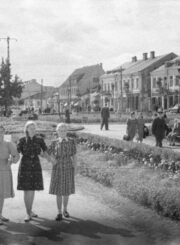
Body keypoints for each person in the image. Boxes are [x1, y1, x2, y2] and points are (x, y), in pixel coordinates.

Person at [17, 121, 54, 222]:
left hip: (36, 165)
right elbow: (16, 153)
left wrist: (50, 160)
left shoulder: (39, 139)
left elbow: (45, 151)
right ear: (26, 129)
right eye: (30, 128)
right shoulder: (22, 140)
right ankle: (28, 213)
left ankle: (30, 211)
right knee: (26, 189)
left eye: (34, 128)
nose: (32, 129)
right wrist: (9, 159)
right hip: (25, 165)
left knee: (32, 189)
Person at [48, 123, 77, 221]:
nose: (62, 132)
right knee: (59, 191)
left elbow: (74, 155)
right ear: (57, 131)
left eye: (64, 130)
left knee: (66, 191)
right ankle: (59, 211)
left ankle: (65, 210)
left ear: (67, 131)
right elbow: (47, 153)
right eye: (60, 130)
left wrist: (75, 167)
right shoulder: (54, 142)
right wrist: (52, 160)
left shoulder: (71, 141)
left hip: (68, 166)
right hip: (57, 168)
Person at [0, 125, 19, 225]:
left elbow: (16, 156)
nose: (0, 133)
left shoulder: (8, 144)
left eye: (1, 131)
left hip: (4, 170)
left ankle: (0, 215)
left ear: (4, 132)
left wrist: (11, 160)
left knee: (1, 194)